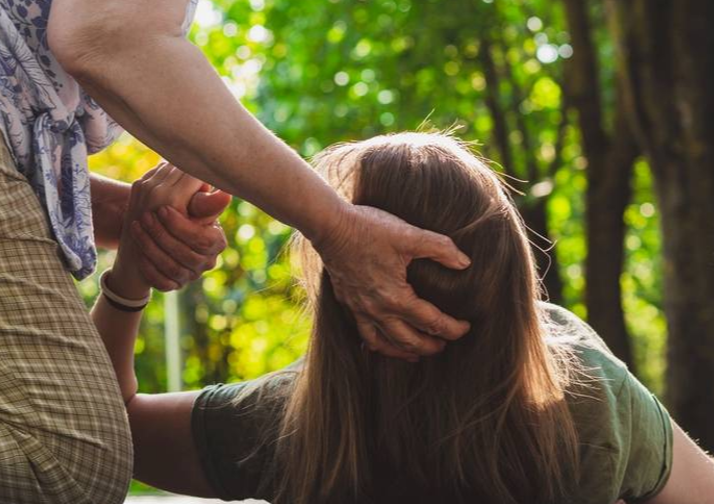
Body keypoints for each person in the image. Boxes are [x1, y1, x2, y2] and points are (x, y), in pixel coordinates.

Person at [0, 0, 470, 502]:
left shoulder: (285, 426)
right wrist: (335, 225)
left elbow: (99, 41)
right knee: (63, 454)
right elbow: (109, 36)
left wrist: (132, 231)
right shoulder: (291, 421)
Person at [99, 132, 714, 504]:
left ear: (347, 290)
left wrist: (130, 278)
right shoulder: (589, 399)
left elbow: (106, 433)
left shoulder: (288, 425)